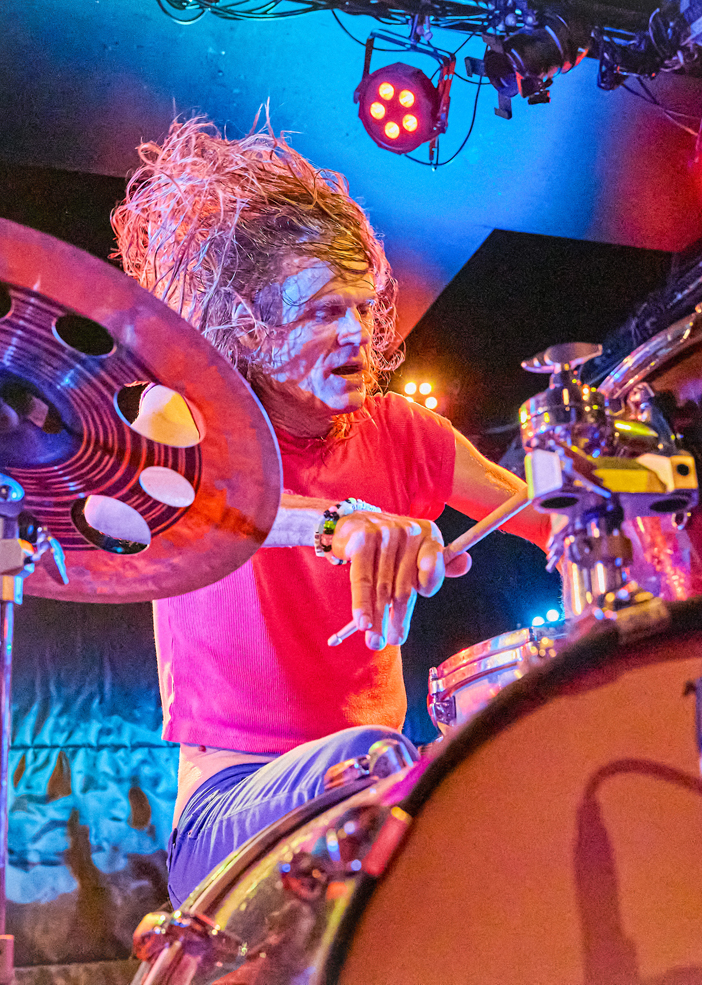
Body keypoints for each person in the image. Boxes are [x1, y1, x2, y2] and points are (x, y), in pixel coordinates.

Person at [112, 116, 551, 906]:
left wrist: (624, 509)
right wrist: (337, 523)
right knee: (378, 765)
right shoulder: (190, 423)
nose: (356, 333)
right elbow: (201, 502)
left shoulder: (406, 434)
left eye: (361, 309)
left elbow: (548, 518)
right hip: (229, 815)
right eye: (322, 313)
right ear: (250, 327)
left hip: (377, 783)